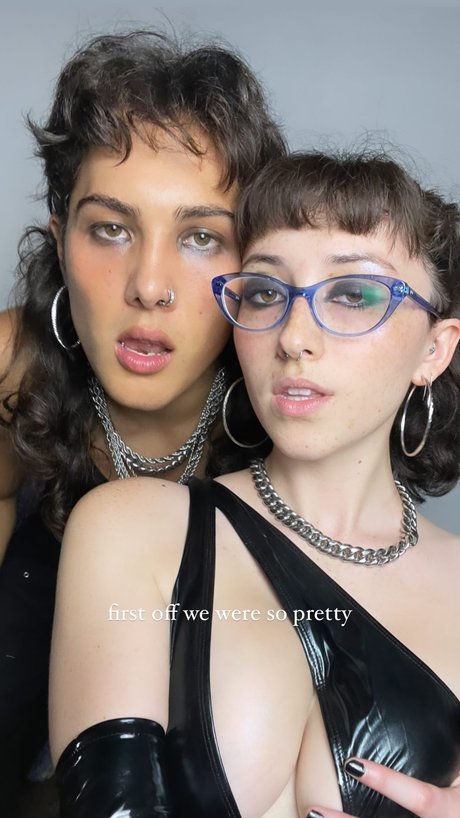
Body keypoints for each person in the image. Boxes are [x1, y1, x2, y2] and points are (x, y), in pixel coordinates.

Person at [50, 149, 460, 818]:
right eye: (267, 292)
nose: (294, 338)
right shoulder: (134, 530)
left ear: (434, 350)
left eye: (352, 295)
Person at [0, 29, 285, 809]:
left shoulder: (297, 405)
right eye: (111, 228)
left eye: (201, 237)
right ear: (61, 242)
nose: (149, 286)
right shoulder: (14, 371)